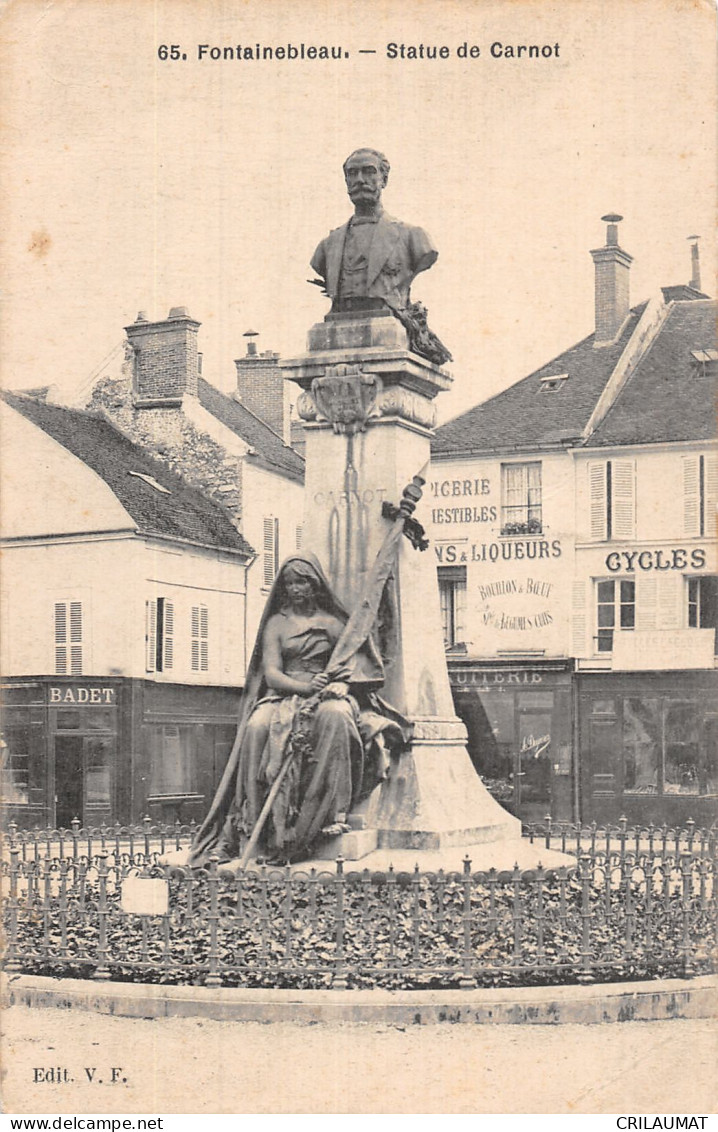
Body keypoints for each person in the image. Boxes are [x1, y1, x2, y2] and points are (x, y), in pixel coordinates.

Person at [189, 554, 408, 865]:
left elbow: (353, 666)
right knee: (256, 726)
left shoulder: (333, 624)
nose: (295, 589)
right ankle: (251, 818)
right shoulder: (277, 624)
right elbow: (272, 673)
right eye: (290, 583)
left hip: (328, 695)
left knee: (337, 717)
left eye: (302, 581)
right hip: (285, 694)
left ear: (315, 585)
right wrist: (305, 688)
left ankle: (329, 812)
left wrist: (341, 687)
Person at [309, 147, 438, 314]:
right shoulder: (327, 246)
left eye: (369, 172)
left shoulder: (413, 236)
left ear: (384, 180)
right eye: (352, 173)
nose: (360, 180)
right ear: (346, 181)